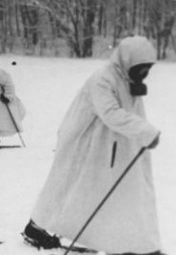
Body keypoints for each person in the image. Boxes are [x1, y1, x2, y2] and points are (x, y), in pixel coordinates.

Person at [23, 36, 164, 255]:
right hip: (83, 145)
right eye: (141, 68)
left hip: (110, 147)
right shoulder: (103, 79)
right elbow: (110, 113)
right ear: (128, 61)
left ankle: (134, 245)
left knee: (120, 194)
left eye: (148, 69)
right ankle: (36, 227)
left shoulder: (126, 78)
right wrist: (145, 131)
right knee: (67, 188)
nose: (145, 74)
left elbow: (129, 111)